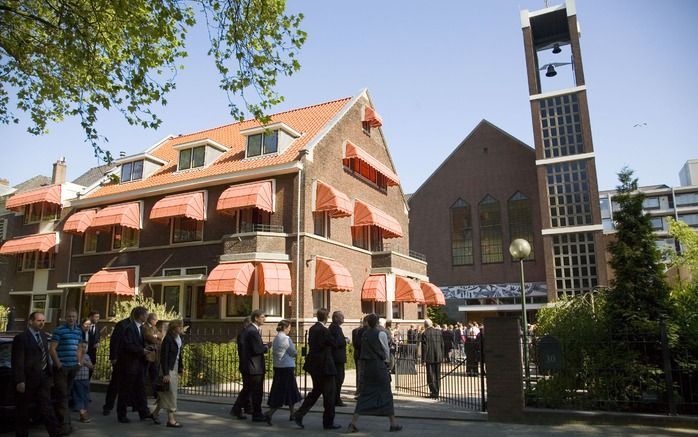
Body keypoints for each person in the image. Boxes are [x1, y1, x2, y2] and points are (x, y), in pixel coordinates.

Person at [347, 313, 402, 433]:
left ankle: (353, 422)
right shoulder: (380, 333)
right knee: (386, 393)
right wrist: (387, 362)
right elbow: (386, 351)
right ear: (377, 322)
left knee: (365, 394)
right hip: (378, 365)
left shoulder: (364, 334)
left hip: (368, 367)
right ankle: (393, 423)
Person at [12, 311, 62, 437]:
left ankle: (55, 433)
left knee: (47, 408)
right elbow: (18, 361)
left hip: (43, 379)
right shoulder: (21, 338)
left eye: (43, 321)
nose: (42, 323)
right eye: (39, 320)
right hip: (28, 380)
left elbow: (46, 356)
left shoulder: (43, 336)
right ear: (31, 321)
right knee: (23, 411)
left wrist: (49, 376)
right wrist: (20, 380)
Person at [294, 308, 340, 430]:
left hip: (314, 366)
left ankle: (299, 414)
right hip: (325, 366)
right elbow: (333, 344)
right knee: (329, 394)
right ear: (326, 318)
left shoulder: (312, 329)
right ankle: (328, 422)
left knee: (316, 392)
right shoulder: (324, 330)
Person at [116, 306, 155, 424]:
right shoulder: (130, 328)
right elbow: (127, 345)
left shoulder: (141, 328)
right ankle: (121, 414)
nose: (147, 317)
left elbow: (139, 343)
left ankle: (144, 412)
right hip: (130, 364)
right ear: (141, 316)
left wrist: (147, 348)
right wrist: (141, 350)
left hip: (139, 364)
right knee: (125, 389)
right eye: (146, 315)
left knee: (141, 388)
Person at [49, 308, 85, 435]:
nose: (72, 319)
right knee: (62, 395)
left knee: (66, 395)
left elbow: (80, 347)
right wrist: (58, 364)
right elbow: (52, 349)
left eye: (74, 317)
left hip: (73, 367)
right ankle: (65, 425)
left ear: (77, 318)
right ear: (65, 317)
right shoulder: (59, 330)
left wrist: (79, 362)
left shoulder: (78, 330)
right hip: (61, 368)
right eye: (69, 316)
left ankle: (62, 422)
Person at [231, 310, 270, 423]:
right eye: (262, 317)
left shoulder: (246, 331)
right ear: (256, 318)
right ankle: (257, 414)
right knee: (257, 392)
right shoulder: (253, 331)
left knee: (247, 389)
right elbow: (257, 349)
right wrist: (267, 347)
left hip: (246, 365)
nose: (264, 319)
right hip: (255, 367)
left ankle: (237, 409)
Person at [264, 320, 301, 424]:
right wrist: (296, 353)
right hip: (287, 368)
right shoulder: (286, 338)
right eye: (289, 327)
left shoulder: (276, 338)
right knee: (284, 392)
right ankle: (270, 413)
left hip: (278, 367)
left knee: (289, 391)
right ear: (285, 328)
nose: (290, 329)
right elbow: (293, 352)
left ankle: (292, 413)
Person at [151, 319, 184, 428]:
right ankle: (171, 420)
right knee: (171, 393)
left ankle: (155, 413)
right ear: (174, 329)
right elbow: (164, 357)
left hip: (174, 367)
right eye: (179, 327)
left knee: (165, 393)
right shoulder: (168, 339)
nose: (181, 328)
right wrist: (166, 374)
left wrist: (180, 368)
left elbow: (180, 355)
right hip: (168, 369)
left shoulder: (179, 338)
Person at [102, 315, 131, 416]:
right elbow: (115, 341)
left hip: (129, 360)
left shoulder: (138, 325)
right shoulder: (122, 325)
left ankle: (126, 404)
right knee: (115, 383)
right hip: (120, 359)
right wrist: (113, 356)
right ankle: (108, 406)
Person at [72, 338, 94, 423]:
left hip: (85, 379)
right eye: (82, 347)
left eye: (85, 347)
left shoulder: (87, 356)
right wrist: (82, 361)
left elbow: (91, 366)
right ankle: (83, 415)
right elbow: (78, 366)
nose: (84, 349)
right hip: (77, 379)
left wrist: (85, 362)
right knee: (79, 397)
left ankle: (84, 413)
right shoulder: (76, 356)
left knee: (86, 397)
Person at [329, 310, 347, 407]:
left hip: (337, 358)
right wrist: (345, 341)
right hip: (337, 359)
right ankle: (336, 399)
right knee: (338, 379)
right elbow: (336, 343)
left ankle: (336, 398)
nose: (343, 318)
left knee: (338, 379)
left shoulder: (335, 328)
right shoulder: (335, 328)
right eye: (341, 316)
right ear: (335, 318)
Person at [422, 319, 444, 398]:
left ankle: (433, 392)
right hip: (438, 356)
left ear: (425, 325)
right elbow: (442, 345)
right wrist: (442, 356)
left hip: (429, 357)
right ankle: (437, 391)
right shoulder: (438, 332)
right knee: (437, 374)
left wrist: (423, 359)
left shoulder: (425, 333)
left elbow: (424, 348)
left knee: (431, 375)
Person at [143, 313, 162, 399]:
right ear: (151, 320)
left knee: (154, 375)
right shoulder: (145, 327)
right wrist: (156, 337)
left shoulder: (154, 327)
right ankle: (143, 393)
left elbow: (161, 335)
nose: (157, 321)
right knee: (145, 374)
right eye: (155, 319)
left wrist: (157, 336)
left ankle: (155, 393)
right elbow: (150, 338)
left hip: (154, 355)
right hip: (148, 355)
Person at [351, 316, 368, 399]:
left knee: (359, 372)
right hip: (363, 355)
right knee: (363, 373)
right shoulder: (364, 331)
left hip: (357, 354)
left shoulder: (355, 331)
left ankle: (358, 388)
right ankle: (361, 390)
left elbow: (355, 344)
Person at [85, 310, 101, 378]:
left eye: (98, 317)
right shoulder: (84, 327)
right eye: (96, 317)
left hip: (92, 355)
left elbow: (97, 339)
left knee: (89, 374)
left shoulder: (97, 328)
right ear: (91, 317)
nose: (98, 319)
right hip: (84, 354)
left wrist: (98, 343)